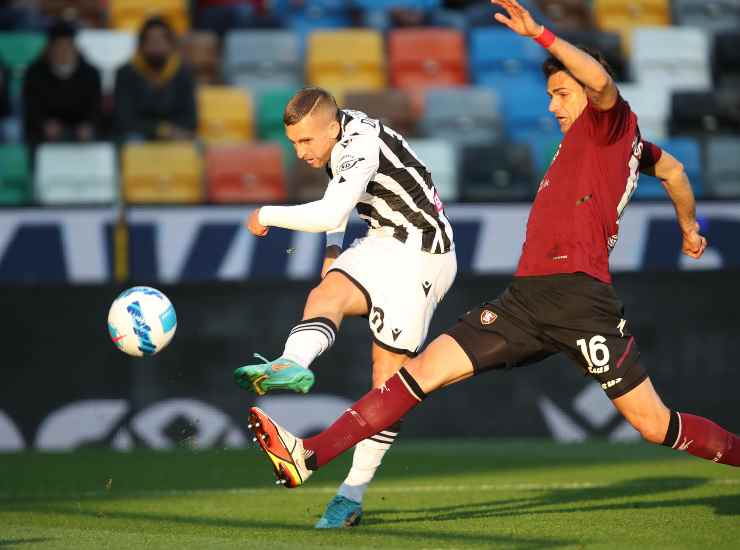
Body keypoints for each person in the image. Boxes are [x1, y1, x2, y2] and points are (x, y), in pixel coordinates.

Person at [246, 0, 739, 498]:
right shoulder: (619, 147)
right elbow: (674, 170)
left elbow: (603, 85)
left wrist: (541, 35)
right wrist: (689, 227)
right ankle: (310, 456)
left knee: (654, 425)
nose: (553, 106)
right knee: (416, 374)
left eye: (562, 93)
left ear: (589, 91)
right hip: (524, 302)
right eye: (550, 94)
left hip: (578, 299)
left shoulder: (612, 123)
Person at [234, 87, 457, 527]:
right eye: (294, 143)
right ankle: (291, 363)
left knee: (386, 387)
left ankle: (351, 493)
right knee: (325, 295)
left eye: (306, 142)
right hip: (380, 241)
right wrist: (334, 251)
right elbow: (338, 204)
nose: (300, 153)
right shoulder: (337, 134)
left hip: (424, 256)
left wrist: (265, 214)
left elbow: (331, 210)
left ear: (333, 128)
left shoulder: (361, 142)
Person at [113, 16, 196, 142]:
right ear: (141, 46)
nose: (156, 46)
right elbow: (124, 119)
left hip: (175, 136)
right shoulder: (126, 73)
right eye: (151, 41)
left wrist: (172, 131)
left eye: (161, 41)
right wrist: (160, 130)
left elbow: (190, 118)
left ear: (171, 45)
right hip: (138, 136)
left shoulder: (183, 73)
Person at [22, 20, 102, 149]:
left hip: (81, 131)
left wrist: (89, 125)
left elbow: (96, 107)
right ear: (49, 49)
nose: (63, 51)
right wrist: (43, 124)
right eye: (58, 46)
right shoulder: (34, 73)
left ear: (75, 48)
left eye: (68, 46)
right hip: (45, 130)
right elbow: (31, 107)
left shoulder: (90, 73)